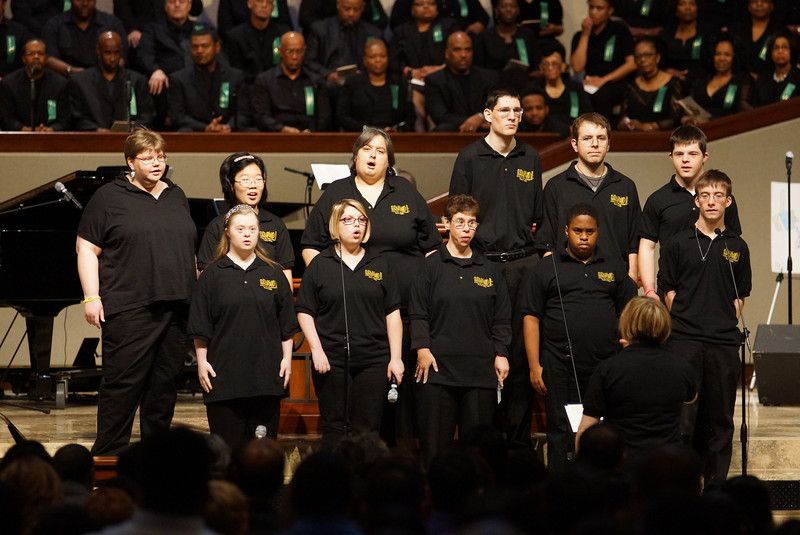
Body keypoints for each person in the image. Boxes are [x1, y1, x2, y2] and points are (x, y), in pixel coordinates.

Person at [301, 128, 442, 447]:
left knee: (397, 403)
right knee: (346, 411)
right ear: (355, 157)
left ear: (389, 159)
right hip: (348, 317)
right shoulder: (337, 191)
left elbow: (432, 247)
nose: (373, 154)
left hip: (402, 313)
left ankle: (394, 466)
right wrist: (338, 282)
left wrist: (428, 290)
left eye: (381, 150)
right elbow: (311, 245)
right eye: (366, 148)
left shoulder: (405, 191)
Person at [76, 128, 197, 456]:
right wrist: (92, 296)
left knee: (163, 389)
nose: (156, 163)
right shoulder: (108, 198)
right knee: (122, 387)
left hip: (177, 306)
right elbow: (86, 248)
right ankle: (107, 462)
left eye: (161, 157)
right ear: (130, 162)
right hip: (131, 307)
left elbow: (188, 250)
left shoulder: (175, 194)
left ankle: (155, 462)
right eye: (147, 158)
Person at [448, 87, 543, 449]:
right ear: (487, 115)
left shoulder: (529, 157)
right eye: (504, 110)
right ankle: (479, 445)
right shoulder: (469, 157)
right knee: (480, 353)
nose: (513, 116)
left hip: (523, 265)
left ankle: (517, 448)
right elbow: (458, 213)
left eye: (517, 111)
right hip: (481, 264)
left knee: (519, 359)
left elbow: (536, 215)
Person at [522, 203, 637, 470]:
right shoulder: (546, 268)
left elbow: (630, 314)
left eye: (589, 231)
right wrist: (534, 366)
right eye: (577, 230)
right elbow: (531, 317)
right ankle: (561, 491)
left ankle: (604, 486)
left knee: (605, 431)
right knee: (560, 431)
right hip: (558, 363)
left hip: (606, 365)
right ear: (566, 231)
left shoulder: (613, 267)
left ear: (598, 232)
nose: (583, 237)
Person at [659, 169, 751, 488]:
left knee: (720, 419)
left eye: (718, 196)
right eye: (705, 196)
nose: (711, 202)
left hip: (723, 344)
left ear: (728, 201)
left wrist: (723, 318)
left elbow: (741, 295)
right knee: (684, 417)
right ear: (696, 200)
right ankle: (682, 485)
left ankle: (715, 488)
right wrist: (685, 317)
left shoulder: (738, 246)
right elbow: (667, 287)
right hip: (684, 341)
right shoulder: (677, 243)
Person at [409, 194, 511, 467]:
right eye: (460, 222)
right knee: (434, 450)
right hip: (438, 371)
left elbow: (501, 318)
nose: (467, 229)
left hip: (479, 372)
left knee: (477, 453)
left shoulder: (489, 270)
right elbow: (418, 312)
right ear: (446, 223)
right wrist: (422, 349)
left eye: (472, 223)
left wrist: (501, 352)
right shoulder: (430, 267)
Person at [188, 204, 299, 452]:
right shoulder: (212, 276)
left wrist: (287, 359)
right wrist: (202, 362)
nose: (247, 233)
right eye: (241, 228)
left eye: (252, 228)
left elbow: (286, 324)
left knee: (262, 456)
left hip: (266, 377)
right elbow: (200, 324)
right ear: (227, 232)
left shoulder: (273, 272)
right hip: (224, 377)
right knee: (228, 455)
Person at [296, 199, 404, 450]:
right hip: (331, 358)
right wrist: (317, 349)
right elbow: (304, 311)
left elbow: (393, 314)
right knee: (335, 426)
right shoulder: (321, 265)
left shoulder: (381, 264)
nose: (356, 225)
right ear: (336, 226)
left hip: (374, 358)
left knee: (368, 427)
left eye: (361, 220)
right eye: (348, 220)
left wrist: (395, 357)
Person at [576, 297, 696, 462]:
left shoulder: (608, 369)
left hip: (623, 466)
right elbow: (691, 397)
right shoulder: (682, 367)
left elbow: (585, 429)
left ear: (627, 323)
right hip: (666, 467)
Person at [639, 125, 742, 301]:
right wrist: (650, 291)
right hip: (671, 288)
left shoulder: (721, 199)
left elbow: (733, 245)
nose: (685, 160)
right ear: (671, 157)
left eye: (692, 154)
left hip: (714, 289)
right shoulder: (658, 200)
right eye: (679, 154)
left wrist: (735, 297)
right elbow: (647, 246)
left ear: (704, 157)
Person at [537, 112, 642, 279]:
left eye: (601, 138)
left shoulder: (625, 186)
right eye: (587, 138)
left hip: (615, 281)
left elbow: (634, 241)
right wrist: (555, 279)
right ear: (574, 144)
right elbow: (546, 242)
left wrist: (631, 276)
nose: (595, 144)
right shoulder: (556, 186)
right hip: (568, 280)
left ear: (608, 144)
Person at [198, 154, 294, 285]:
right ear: (231, 185)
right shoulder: (217, 226)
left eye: (258, 179)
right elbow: (206, 276)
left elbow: (285, 273)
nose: (253, 185)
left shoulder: (275, 224)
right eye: (245, 179)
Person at [388, 0, 459, 130]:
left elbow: (459, 53)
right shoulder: (401, 31)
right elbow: (392, 61)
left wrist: (441, 69)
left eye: (431, 3)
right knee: (416, 109)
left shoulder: (449, 27)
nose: (426, 7)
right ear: (412, 9)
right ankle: (420, 140)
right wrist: (411, 72)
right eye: (420, 4)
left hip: (443, 79)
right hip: (414, 80)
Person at [68, 31, 155, 131]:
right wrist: (94, 129)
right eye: (108, 53)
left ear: (121, 51)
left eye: (116, 52)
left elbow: (147, 113)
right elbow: (75, 115)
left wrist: (136, 128)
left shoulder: (137, 80)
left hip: (129, 139)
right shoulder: (80, 81)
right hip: (92, 140)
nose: (113, 58)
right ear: (98, 50)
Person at [167, 28, 249, 132]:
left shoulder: (235, 76)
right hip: (195, 131)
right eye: (195, 47)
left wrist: (227, 127)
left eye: (205, 46)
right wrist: (205, 128)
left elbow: (243, 112)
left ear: (217, 47)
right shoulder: (179, 79)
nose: (199, 51)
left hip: (228, 131)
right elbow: (177, 116)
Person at [570, 0, 636, 123]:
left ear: (610, 11)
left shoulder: (620, 30)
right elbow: (577, 67)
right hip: (590, 82)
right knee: (575, 92)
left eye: (599, 8)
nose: (594, 12)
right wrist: (585, 34)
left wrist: (603, 80)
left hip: (616, 81)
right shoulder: (580, 35)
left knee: (601, 94)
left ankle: (604, 131)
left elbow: (632, 64)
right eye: (591, 7)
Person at [251, 31, 331, 133]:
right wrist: (281, 129)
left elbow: (324, 116)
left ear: (305, 51)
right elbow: (261, 116)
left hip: (310, 138)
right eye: (289, 51)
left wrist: (311, 131)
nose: (294, 57)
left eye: (299, 51)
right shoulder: (264, 80)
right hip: (276, 137)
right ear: (280, 51)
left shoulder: (315, 81)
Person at [425, 31, 498, 132]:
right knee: (444, 128)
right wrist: (473, 121)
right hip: (455, 130)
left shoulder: (488, 77)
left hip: (485, 130)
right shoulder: (434, 80)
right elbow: (440, 116)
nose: (463, 55)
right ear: (447, 53)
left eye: (467, 50)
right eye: (457, 50)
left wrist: (481, 117)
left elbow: (497, 107)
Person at [337, 39, 413, 132]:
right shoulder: (353, 83)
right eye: (373, 57)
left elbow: (410, 116)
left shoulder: (398, 82)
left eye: (383, 56)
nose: (378, 60)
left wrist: (397, 129)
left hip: (393, 137)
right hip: (361, 137)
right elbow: (342, 116)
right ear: (365, 60)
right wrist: (369, 130)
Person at [304, 0, 383, 86]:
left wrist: (364, 74)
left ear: (363, 8)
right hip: (328, 84)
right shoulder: (320, 30)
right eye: (347, 9)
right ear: (338, 5)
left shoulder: (373, 33)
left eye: (356, 9)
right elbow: (309, 61)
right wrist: (328, 75)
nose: (351, 14)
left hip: (362, 84)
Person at [681, 33, 754, 124]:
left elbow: (745, 112)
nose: (722, 58)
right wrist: (688, 120)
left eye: (727, 55)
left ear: (735, 57)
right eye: (718, 54)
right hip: (698, 133)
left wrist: (709, 122)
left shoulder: (742, 80)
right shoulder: (700, 81)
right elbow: (686, 112)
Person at [0, 39, 69, 131]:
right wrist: (26, 130)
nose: (36, 57)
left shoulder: (60, 83)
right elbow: (6, 119)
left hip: (51, 139)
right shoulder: (9, 83)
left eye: (40, 53)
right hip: (18, 140)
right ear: (23, 58)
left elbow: (66, 120)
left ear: (46, 57)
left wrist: (51, 129)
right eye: (31, 54)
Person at [618, 37, 683, 132]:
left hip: (665, 137)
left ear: (657, 57)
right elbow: (622, 117)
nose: (643, 59)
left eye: (648, 55)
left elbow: (676, 118)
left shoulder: (673, 83)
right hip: (637, 136)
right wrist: (626, 124)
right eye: (638, 56)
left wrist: (648, 126)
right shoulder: (631, 86)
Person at [473, 0, 540, 93]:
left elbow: (537, 68)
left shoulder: (527, 35)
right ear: (496, 10)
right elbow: (478, 69)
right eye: (504, 6)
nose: (508, 10)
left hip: (524, 86)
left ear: (518, 10)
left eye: (513, 6)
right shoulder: (485, 37)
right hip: (494, 87)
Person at [222, 0, 291, 83]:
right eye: (259, 1)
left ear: (273, 8)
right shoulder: (235, 36)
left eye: (269, 2)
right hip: (248, 87)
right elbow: (237, 72)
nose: (264, 5)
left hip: (277, 86)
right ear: (249, 3)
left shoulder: (283, 33)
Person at [536, 41, 593, 126]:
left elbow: (587, 115)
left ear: (563, 67)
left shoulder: (575, 88)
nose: (550, 68)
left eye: (554, 64)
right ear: (541, 67)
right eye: (546, 64)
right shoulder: (535, 90)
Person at [657, 0, 711, 81]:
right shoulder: (665, 35)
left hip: (701, 82)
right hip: (670, 81)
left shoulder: (708, 32)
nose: (687, 8)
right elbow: (659, 64)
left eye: (692, 4)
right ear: (675, 9)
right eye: (682, 4)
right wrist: (667, 71)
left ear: (698, 8)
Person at [732, 0, 782, 78]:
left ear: (772, 6)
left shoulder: (780, 31)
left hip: (770, 81)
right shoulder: (737, 30)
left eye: (764, 1)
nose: (759, 4)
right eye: (754, 1)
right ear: (748, 6)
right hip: (737, 79)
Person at [753, 30, 800, 106]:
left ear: (792, 51)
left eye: (785, 47)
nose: (780, 51)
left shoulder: (798, 77)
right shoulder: (762, 80)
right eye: (776, 48)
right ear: (770, 53)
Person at [389, 0, 489, 35]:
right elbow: (396, 21)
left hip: (462, 34)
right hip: (424, 40)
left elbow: (482, 15)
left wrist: (477, 25)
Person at [217, 0, 292, 41]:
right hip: (241, 43)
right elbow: (224, 28)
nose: (264, 5)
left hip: (272, 42)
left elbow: (286, 25)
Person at [0, 0, 30, 79]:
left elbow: (25, 66)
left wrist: (7, 82)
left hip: (10, 85)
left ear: (3, 4)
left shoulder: (18, 31)